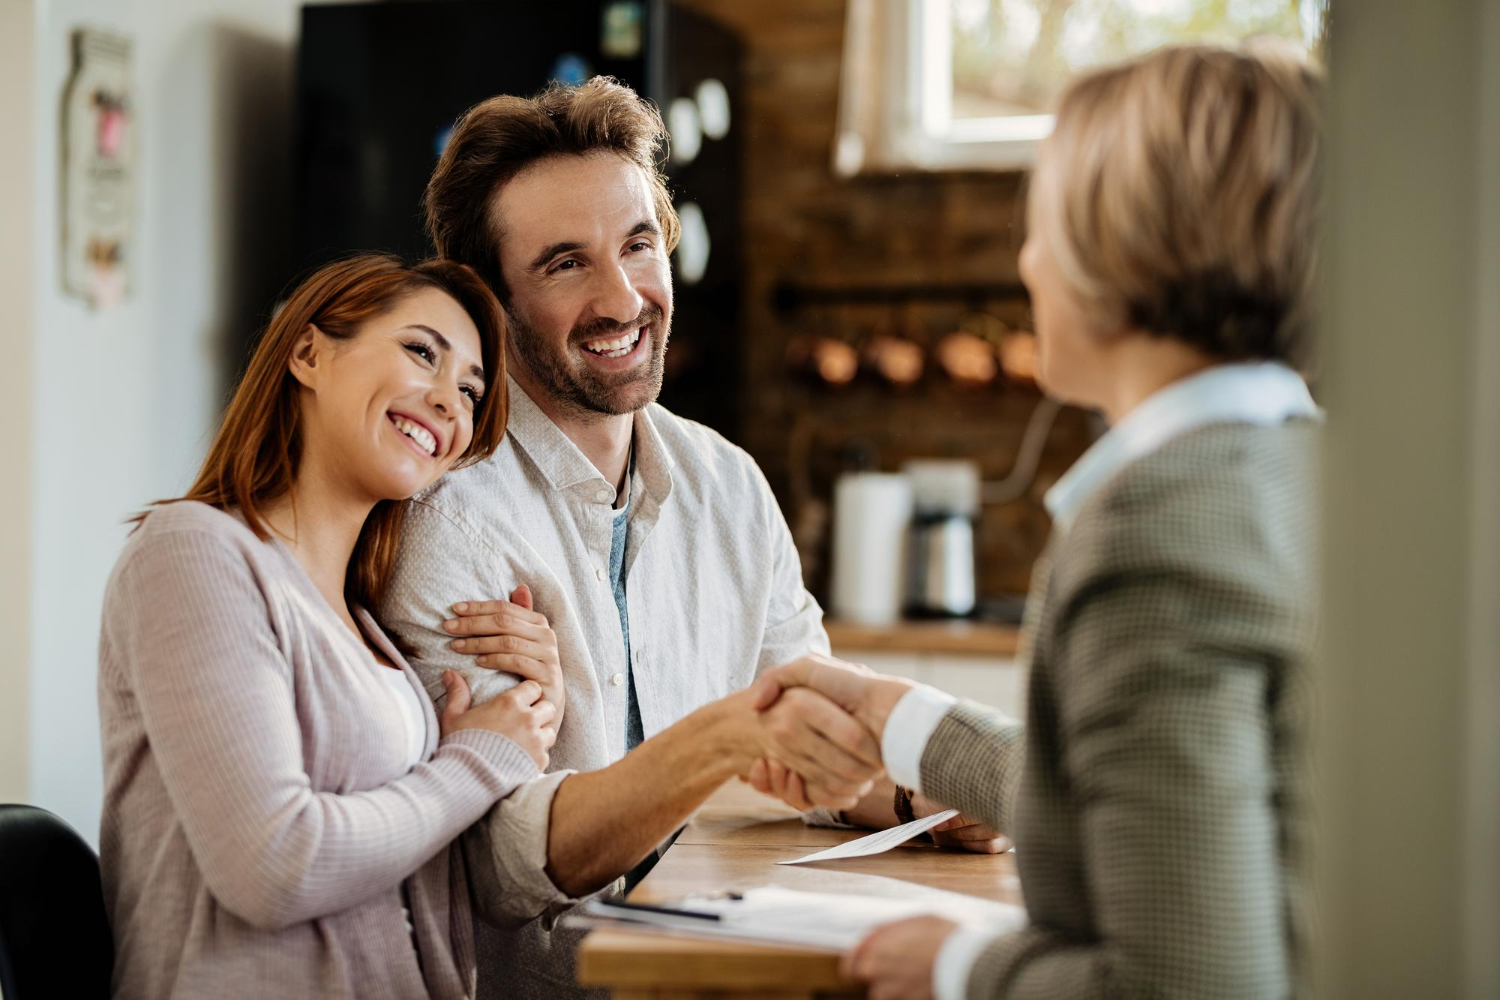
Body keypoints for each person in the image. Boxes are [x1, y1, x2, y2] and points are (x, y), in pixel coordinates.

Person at [752, 41, 1324, 1000]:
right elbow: (1175, 816)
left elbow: (1187, 984)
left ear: (1122, 246)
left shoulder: (1158, 531)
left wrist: (961, 964)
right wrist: (904, 721)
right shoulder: (1308, 470)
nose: (1026, 259)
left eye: (1044, 222)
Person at [378, 77, 959, 999]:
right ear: (488, 300)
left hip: (721, 960)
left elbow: (800, 736)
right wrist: (721, 739)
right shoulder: (448, 514)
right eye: (565, 264)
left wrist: (915, 805)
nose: (622, 299)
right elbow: (493, 863)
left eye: (638, 245)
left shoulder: (726, 481)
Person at [97, 254, 561, 1000]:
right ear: (308, 354)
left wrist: (528, 715)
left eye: (471, 392)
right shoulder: (193, 553)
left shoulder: (363, 627)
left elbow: (406, 864)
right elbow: (274, 866)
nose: (450, 402)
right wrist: (476, 763)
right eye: (421, 353)